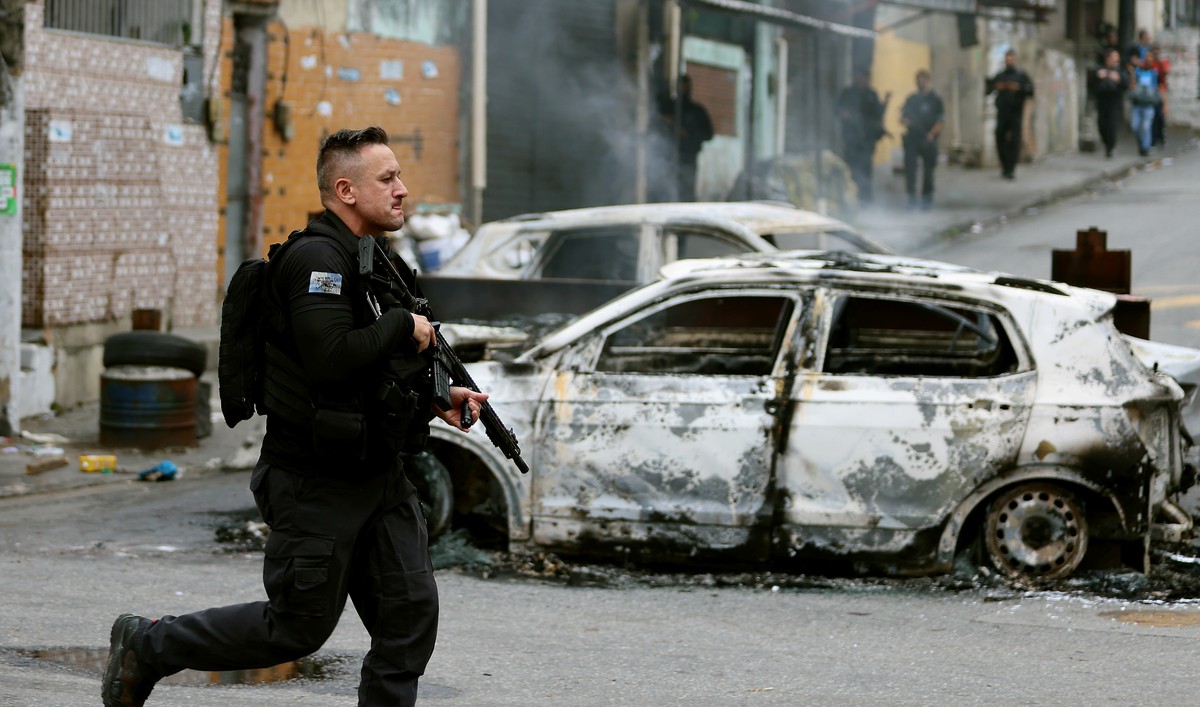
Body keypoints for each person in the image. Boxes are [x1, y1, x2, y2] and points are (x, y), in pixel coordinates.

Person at [101, 126, 489, 707]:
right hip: (315, 480)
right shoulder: (315, 259)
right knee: (297, 628)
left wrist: (438, 398)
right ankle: (150, 644)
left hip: (378, 477)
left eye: (399, 177)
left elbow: (374, 373)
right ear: (346, 190)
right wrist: (400, 326)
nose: (403, 190)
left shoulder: (373, 262)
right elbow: (330, 359)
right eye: (387, 179)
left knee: (409, 618)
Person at [835, 67, 890, 205]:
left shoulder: (871, 94)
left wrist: (886, 102)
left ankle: (866, 199)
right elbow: (837, 109)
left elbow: (878, 114)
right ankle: (850, 197)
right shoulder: (847, 93)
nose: (864, 80)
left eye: (866, 78)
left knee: (865, 169)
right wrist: (844, 113)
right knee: (851, 167)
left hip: (867, 138)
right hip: (851, 137)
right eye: (861, 77)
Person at [663, 74, 714, 201]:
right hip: (668, 156)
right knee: (665, 189)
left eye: (684, 87)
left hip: (688, 157)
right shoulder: (669, 107)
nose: (682, 89)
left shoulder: (697, 111)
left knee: (686, 191)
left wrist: (688, 134)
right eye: (680, 86)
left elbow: (708, 134)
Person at [986, 49, 1034, 180]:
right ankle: (1004, 166)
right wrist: (998, 86)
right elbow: (988, 88)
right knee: (999, 137)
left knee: (1014, 141)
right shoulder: (1000, 75)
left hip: (1016, 113)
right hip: (1002, 112)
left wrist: (1018, 88)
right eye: (1008, 59)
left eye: (1012, 59)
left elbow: (1030, 91)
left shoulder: (1021, 76)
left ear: (1015, 60)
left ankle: (1011, 169)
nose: (1010, 61)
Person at [899, 69, 944, 210]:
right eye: (918, 80)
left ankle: (927, 200)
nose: (920, 83)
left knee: (928, 171)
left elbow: (940, 121)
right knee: (910, 169)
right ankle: (911, 198)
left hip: (929, 139)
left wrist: (931, 134)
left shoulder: (935, 100)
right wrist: (906, 121)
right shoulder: (912, 99)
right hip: (913, 138)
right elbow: (904, 117)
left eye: (923, 80)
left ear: (928, 81)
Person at [1092, 48, 1127, 158]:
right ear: (1108, 59)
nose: (1116, 60)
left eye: (1117, 58)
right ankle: (1107, 144)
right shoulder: (1100, 70)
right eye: (1114, 58)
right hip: (1102, 103)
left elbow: (1126, 84)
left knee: (1111, 126)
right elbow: (1092, 84)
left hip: (1115, 104)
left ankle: (1110, 149)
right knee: (1102, 126)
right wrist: (1097, 76)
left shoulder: (1120, 72)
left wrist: (1119, 79)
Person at [1128, 54, 1160, 156]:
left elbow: (1156, 88)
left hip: (1148, 104)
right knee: (1135, 126)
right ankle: (1141, 144)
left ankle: (1145, 147)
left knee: (1146, 127)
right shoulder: (1138, 72)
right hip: (1137, 104)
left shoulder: (1154, 73)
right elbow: (1133, 84)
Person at [1145, 45, 1170, 147]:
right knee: (1152, 117)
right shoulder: (1149, 65)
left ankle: (1161, 136)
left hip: (1160, 91)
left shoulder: (1161, 63)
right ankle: (1153, 138)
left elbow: (1166, 72)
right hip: (1150, 92)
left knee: (1160, 116)